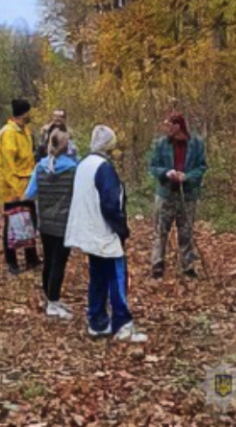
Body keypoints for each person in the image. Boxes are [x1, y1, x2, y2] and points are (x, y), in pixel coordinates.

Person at [65, 125, 148, 343]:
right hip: (104, 232)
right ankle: (122, 324)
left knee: (98, 277)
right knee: (116, 277)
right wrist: (122, 229)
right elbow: (111, 205)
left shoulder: (83, 164)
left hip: (89, 231)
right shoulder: (104, 168)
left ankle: (97, 321)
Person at [25, 125, 78, 320]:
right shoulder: (73, 169)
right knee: (59, 262)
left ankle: (49, 297)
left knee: (48, 259)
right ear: (67, 146)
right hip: (64, 223)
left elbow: (29, 194)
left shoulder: (40, 167)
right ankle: (53, 302)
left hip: (45, 222)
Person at [149, 111, 208, 279]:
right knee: (161, 230)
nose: (165, 128)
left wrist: (187, 176)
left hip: (187, 195)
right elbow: (153, 166)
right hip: (166, 193)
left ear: (177, 126)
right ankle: (157, 264)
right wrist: (166, 173)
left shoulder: (196, 144)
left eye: (168, 125)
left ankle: (188, 265)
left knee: (186, 231)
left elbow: (202, 167)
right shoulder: (161, 144)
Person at [0, 99, 41, 275]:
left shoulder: (26, 132)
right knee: (12, 224)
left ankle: (31, 257)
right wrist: (16, 191)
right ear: (24, 113)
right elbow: (7, 165)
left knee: (30, 221)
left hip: (27, 184)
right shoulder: (8, 133)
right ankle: (12, 261)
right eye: (29, 112)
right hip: (13, 188)